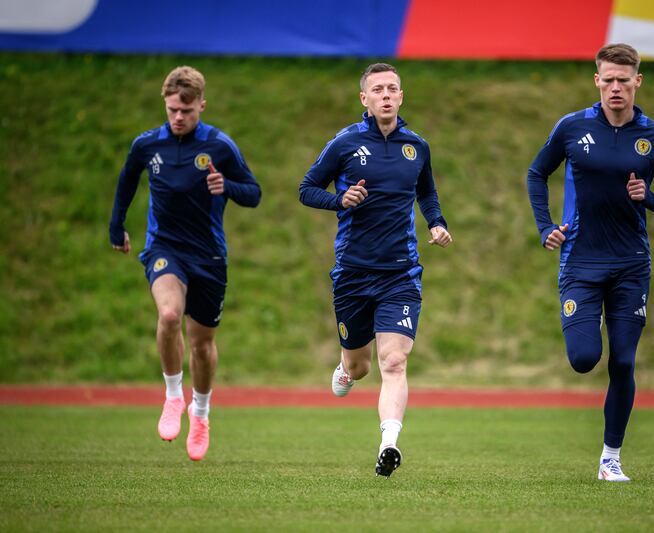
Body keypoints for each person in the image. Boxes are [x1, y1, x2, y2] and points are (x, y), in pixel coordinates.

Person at [526, 43, 654, 481]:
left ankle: (610, 458)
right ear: (596, 81)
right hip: (580, 261)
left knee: (622, 362)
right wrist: (546, 227)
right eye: (608, 79)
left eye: (624, 80)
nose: (615, 87)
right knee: (584, 358)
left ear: (638, 81)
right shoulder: (571, 127)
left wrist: (649, 198)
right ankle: (607, 449)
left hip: (630, 264)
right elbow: (536, 173)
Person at [299, 63, 452, 477]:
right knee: (360, 366)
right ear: (364, 99)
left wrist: (436, 223)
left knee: (395, 361)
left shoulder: (416, 147)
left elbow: (428, 193)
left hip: (400, 273)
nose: (386, 95)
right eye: (378, 89)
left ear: (401, 97)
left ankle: (389, 443)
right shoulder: (345, 143)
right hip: (352, 272)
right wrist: (340, 200)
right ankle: (345, 367)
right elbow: (307, 189)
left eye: (393, 89)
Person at [109, 66, 261, 461]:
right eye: (173, 109)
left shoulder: (220, 146)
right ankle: (174, 396)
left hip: (208, 255)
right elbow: (127, 181)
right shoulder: (147, 145)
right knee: (170, 315)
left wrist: (226, 186)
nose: (179, 117)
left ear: (201, 107)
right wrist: (116, 226)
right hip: (165, 248)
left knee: (202, 343)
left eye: (187, 111)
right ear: (166, 103)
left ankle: (202, 413)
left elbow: (254, 194)